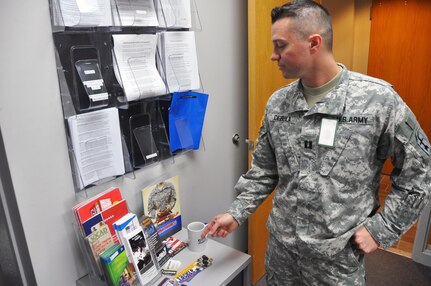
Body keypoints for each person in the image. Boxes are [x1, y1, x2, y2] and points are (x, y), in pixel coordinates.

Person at [201, 1, 431, 285]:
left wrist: (382, 228)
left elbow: (420, 171)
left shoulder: (378, 101)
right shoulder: (279, 104)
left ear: (314, 43)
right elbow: (264, 171)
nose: (273, 55)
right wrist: (236, 213)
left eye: (280, 45)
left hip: (336, 261)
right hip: (282, 254)